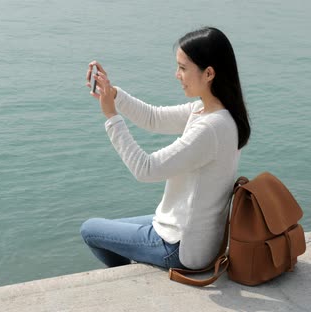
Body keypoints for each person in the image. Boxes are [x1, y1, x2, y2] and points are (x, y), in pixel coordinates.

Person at [80, 27, 251, 270]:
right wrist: (113, 93)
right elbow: (154, 118)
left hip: (182, 247)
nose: (176, 74)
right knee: (110, 229)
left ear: (209, 73)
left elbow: (146, 169)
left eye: (182, 68)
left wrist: (111, 116)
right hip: (194, 236)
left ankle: (129, 281)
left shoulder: (210, 128)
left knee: (90, 230)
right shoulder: (213, 112)